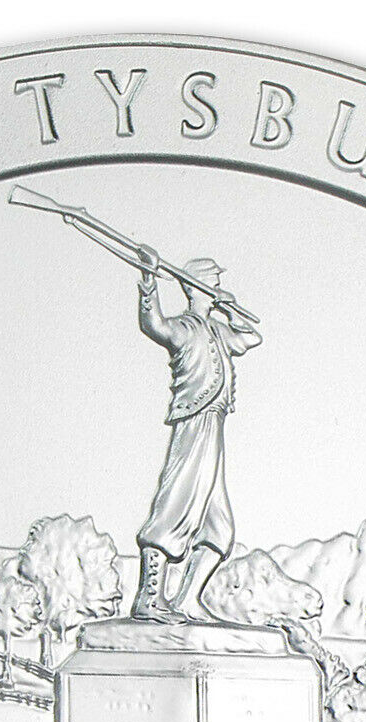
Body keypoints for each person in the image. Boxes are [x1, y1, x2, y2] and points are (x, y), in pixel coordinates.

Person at [131, 245, 262, 621]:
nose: (219, 287)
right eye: (215, 283)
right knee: (177, 503)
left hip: (214, 424)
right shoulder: (185, 328)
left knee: (218, 527)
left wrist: (230, 309)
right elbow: (154, 325)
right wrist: (149, 281)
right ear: (200, 286)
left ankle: (187, 599)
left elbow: (251, 338)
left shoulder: (218, 330)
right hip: (193, 421)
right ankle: (149, 598)